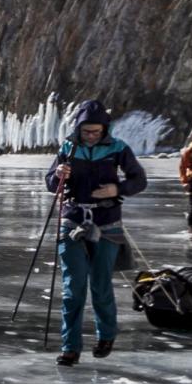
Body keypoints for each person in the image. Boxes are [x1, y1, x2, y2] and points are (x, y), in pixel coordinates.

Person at [45, 100, 147, 366]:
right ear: (78, 128)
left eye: (96, 131)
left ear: (105, 128)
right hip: (72, 220)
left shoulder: (118, 149)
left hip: (107, 223)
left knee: (101, 286)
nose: (91, 136)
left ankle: (106, 335)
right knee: (73, 289)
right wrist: (58, 175)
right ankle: (70, 347)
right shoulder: (67, 148)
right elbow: (50, 183)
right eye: (87, 131)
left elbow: (139, 180)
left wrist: (117, 190)